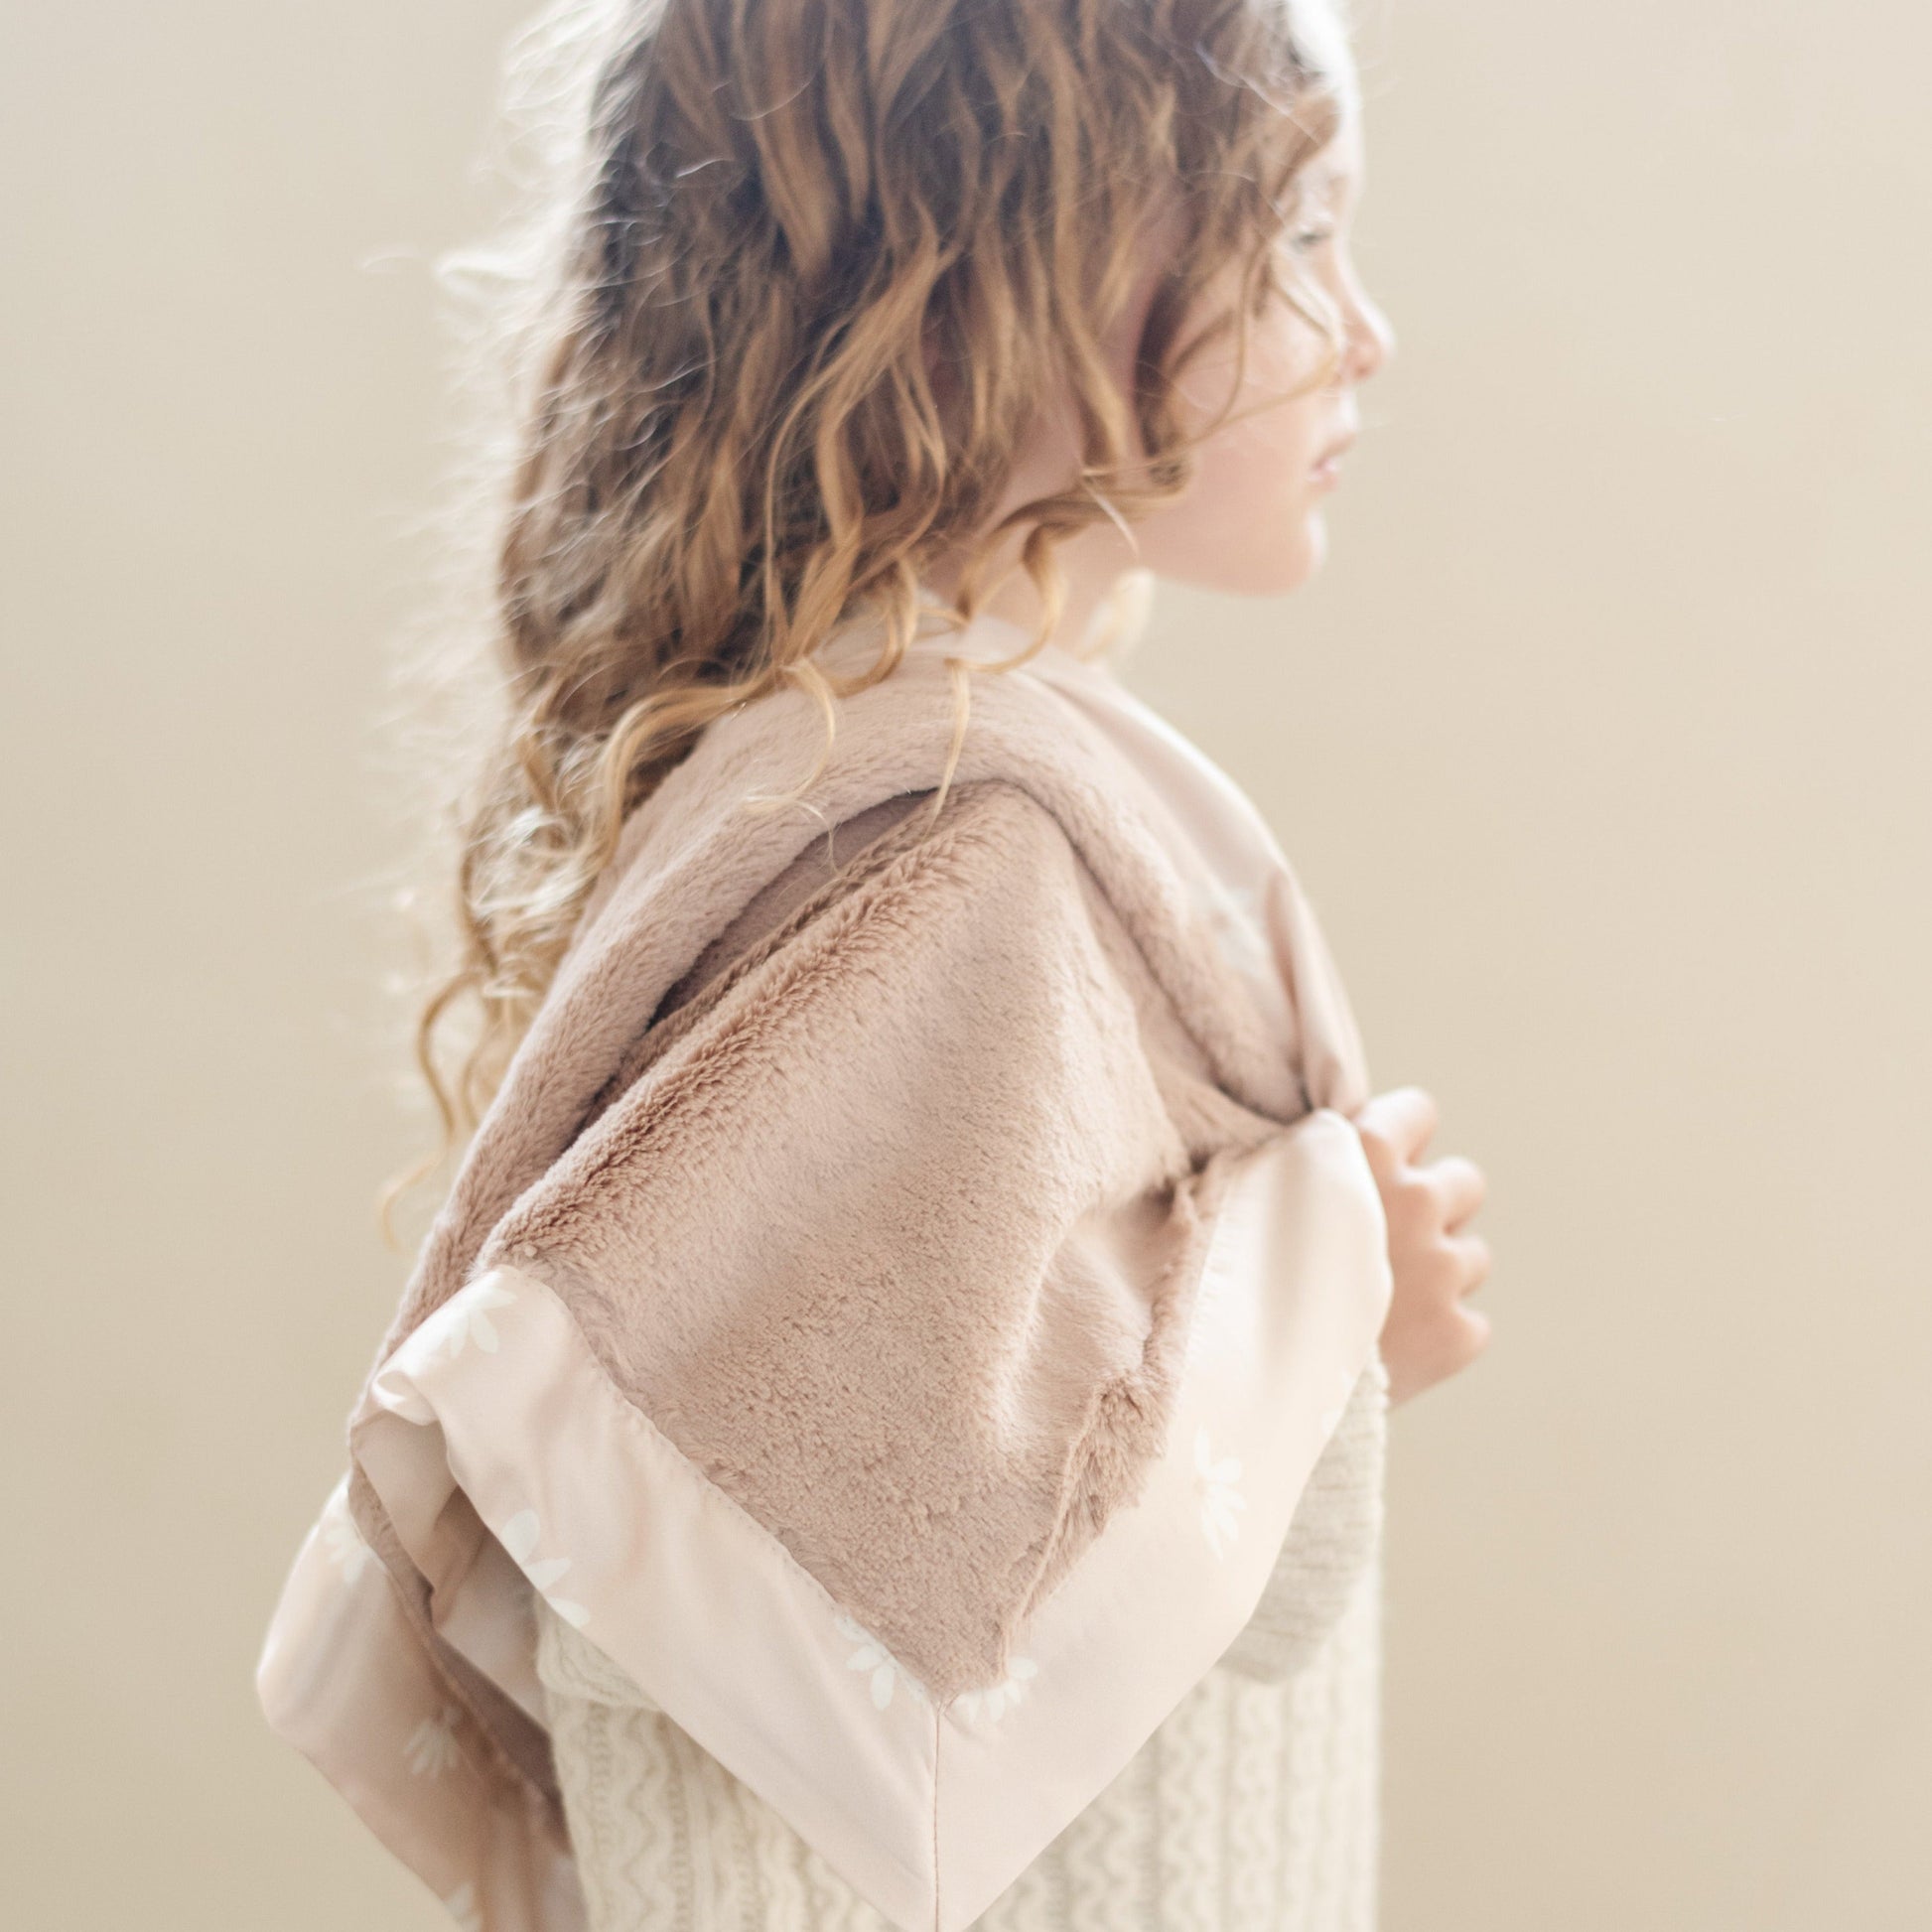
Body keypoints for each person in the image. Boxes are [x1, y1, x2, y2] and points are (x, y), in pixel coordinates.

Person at [255, 1, 1490, 1926]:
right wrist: (1332, 1323)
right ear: (1023, 283)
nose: (1366, 329)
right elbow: (731, 1604)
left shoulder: (880, 774)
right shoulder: (959, 855)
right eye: (1303, 234)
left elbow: (966, 1461)